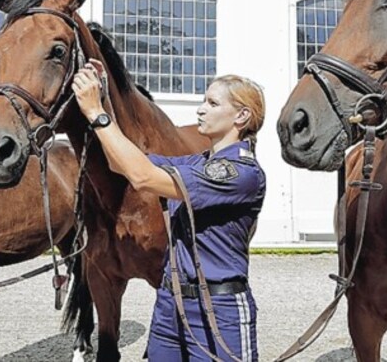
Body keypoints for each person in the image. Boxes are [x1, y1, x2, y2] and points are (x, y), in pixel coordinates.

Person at [72, 60, 266, 361]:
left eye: (213, 103)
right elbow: (121, 164)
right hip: (170, 303)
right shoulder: (195, 162)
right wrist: (105, 95)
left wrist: (97, 114)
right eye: (203, 100)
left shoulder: (240, 172)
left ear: (241, 116)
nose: (201, 109)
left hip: (218, 308)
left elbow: (142, 177)